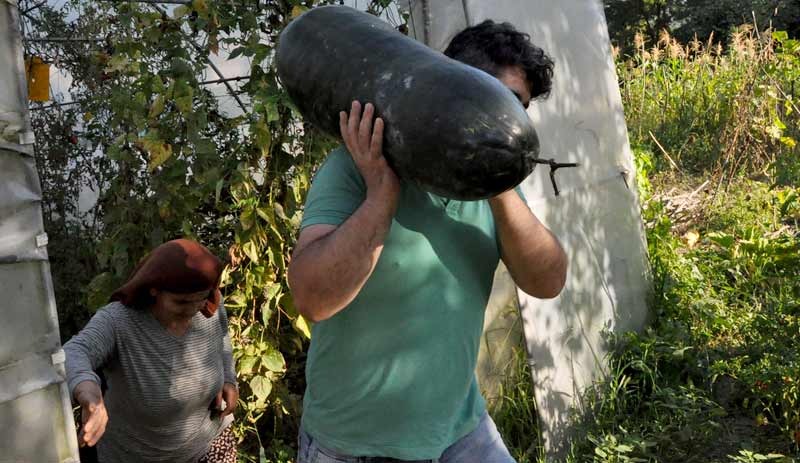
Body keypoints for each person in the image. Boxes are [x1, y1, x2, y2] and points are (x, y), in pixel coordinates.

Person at [287, 19, 567, 463]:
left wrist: (497, 185)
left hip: (461, 430)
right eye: (504, 101)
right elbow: (312, 297)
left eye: (521, 108)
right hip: (356, 449)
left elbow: (548, 280)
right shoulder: (352, 169)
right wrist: (381, 194)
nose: (512, 121)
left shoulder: (495, 190)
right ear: (452, 84)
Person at [64, 239, 239, 463]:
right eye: (181, 303)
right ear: (154, 289)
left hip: (207, 441)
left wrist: (228, 378)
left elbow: (222, 336)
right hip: (137, 455)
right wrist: (90, 394)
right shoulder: (120, 321)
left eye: (201, 300)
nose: (193, 310)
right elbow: (73, 352)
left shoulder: (207, 304)